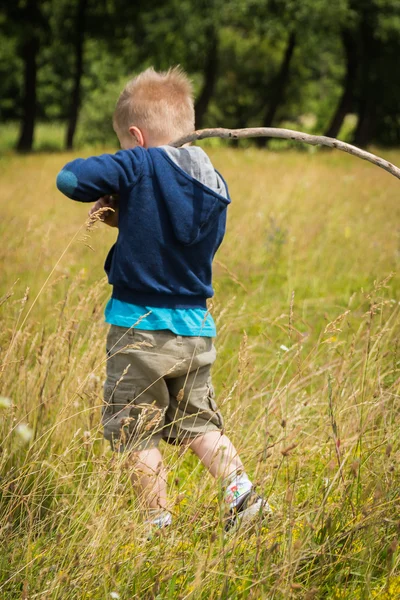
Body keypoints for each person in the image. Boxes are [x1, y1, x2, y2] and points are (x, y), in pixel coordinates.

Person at [56, 66, 271, 533]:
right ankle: (244, 497)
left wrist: (124, 174)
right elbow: (178, 239)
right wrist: (127, 215)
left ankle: (157, 524)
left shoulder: (140, 161)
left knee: (135, 430)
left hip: (140, 328)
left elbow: (70, 180)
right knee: (200, 426)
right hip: (195, 331)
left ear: (136, 136)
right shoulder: (213, 181)